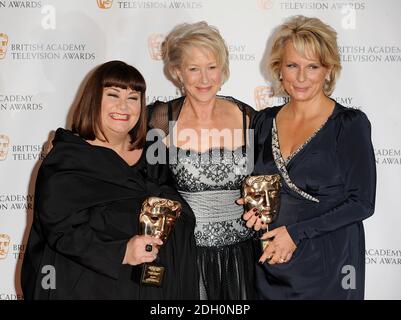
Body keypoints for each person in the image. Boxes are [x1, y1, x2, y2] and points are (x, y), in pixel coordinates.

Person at [21, 60, 198, 300]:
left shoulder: (153, 154)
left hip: (148, 288)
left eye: (133, 98)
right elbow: (60, 230)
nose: (123, 106)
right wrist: (120, 252)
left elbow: (174, 209)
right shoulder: (68, 158)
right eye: (113, 95)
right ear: (94, 100)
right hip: (87, 288)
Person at [242, 15, 376, 299]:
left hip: (329, 265)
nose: (301, 77)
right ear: (279, 69)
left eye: (312, 66)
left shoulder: (349, 124)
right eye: (292, 65)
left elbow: (362, 203)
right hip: (273, 264)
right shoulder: (263, 121)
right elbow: (258, 186)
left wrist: (295, 233)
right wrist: (254, 211)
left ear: (328, 70)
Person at [148, 21, 258, 300]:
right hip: (185, 257)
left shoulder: (249, 117)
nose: (204, 79)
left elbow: (273, 177)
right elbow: (117, 150)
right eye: (193, 69)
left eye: (212, 67)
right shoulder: (159, 120)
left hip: (243, 258)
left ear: (223, 69)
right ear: (177, 72)